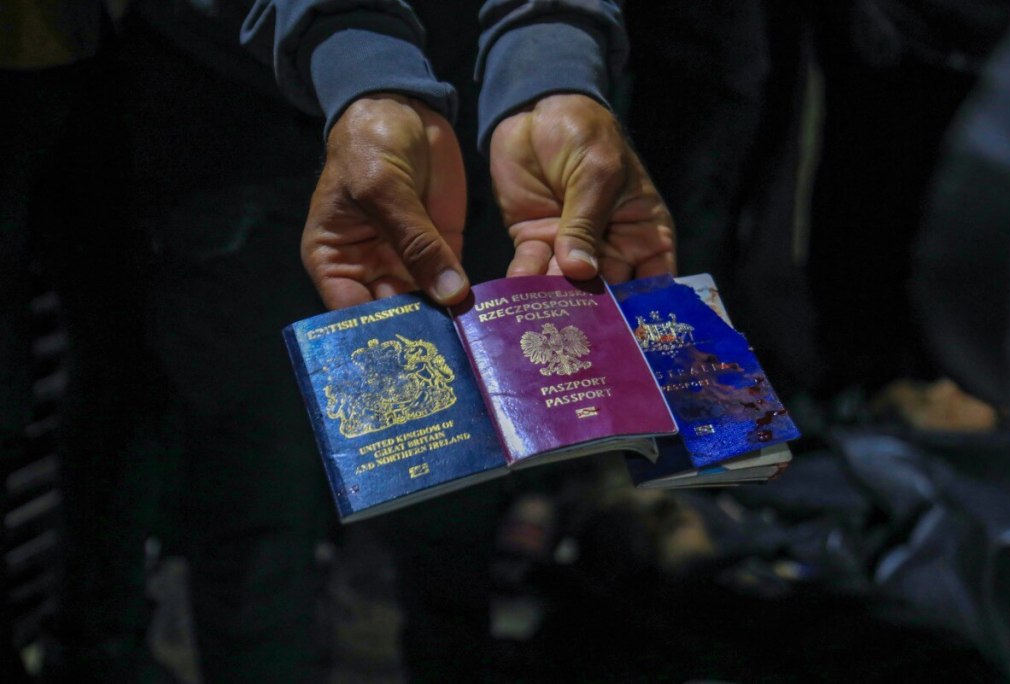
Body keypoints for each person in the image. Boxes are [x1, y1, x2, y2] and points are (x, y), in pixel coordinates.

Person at [20, 1, 674, 682]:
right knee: (259, 502)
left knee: (453, 481)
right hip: (243, 113)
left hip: (473, 122)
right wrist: (370, 68)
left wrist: (549, 65)